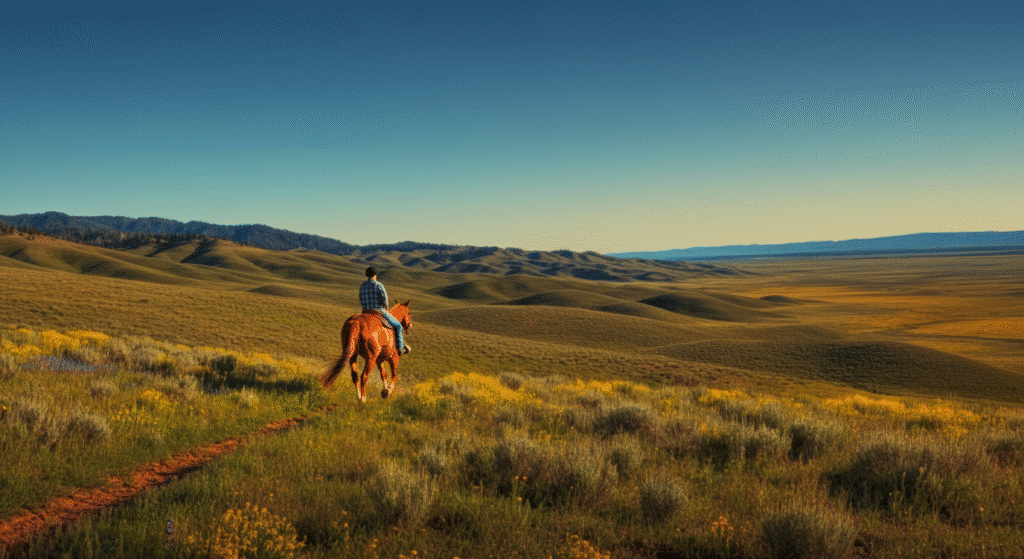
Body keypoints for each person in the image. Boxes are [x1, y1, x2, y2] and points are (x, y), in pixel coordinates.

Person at [359, 266, 410, 355]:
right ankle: (401, 348)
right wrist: (386, 309)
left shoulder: (363, 285)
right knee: (398, 326)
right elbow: (385, 299)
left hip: (365, 312)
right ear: (375, 275)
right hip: (378, 311)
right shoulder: (378, 285)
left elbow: (361, 298)